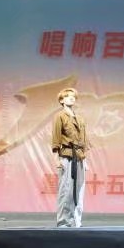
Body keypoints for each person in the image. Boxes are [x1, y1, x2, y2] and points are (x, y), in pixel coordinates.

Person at [50, 87, 88, 228]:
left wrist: (85, 160)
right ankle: (64, 222)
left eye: (73, 96)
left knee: (79, 190)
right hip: (67, 156)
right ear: (62, 100)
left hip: (79, 157)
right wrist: (57, 159)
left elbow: (84, 140)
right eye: (68, 96)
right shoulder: (60, 116)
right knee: (66, 190)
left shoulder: (80, 118)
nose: (72, 98)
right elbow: (56, 138)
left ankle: (76, 221)